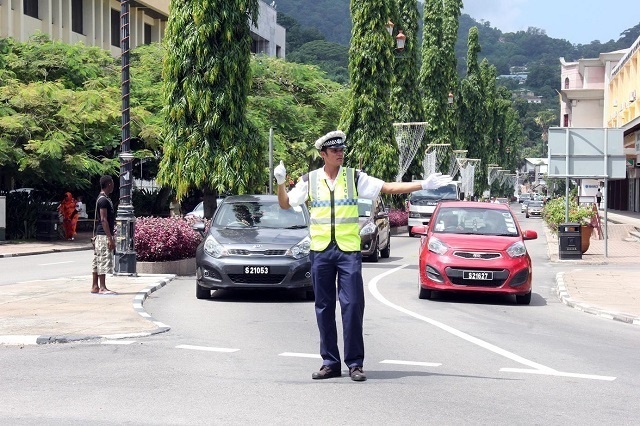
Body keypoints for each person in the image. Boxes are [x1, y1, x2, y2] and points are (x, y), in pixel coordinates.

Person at [275, 130, 452, 382]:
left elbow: (388, 187)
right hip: (321, 251)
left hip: (348, 251)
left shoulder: (354, 177)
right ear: (323, 154)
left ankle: (355, 363)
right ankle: (330, 362)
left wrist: (423, 184)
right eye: (334, 151)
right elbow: (285, 204)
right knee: (324, 307)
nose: (340, 154)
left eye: (342, 150)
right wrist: (281, 183)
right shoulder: (310, 180)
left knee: (353, 305)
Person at [91, 175, 116, 295]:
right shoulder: (103, 200)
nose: (113, 186)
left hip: (100, 234)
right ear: (109, 184)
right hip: (103, 235)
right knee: (103, 260)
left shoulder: (103, 198)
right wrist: (110, 238)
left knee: (97, 260)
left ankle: (95, 286)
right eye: (112, 183)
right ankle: (102, 287)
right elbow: (103, 219)